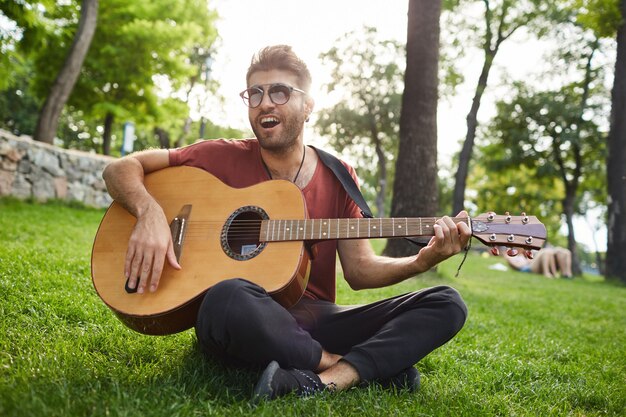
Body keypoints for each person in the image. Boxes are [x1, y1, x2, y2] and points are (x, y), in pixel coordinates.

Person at [101, 45, 472, 401]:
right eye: (255, 93)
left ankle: (322, 379)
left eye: (279, 91)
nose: (265, 102)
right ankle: (351, 367)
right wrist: (150, 213)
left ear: (308, 105)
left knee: (447, 302)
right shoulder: (219, 156)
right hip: (245, 318)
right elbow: (121, 168)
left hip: (316, 319)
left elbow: (360, 271)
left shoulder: (339, 175)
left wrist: (422, 261)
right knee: (226, 297)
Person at [504, 247, 572, 278]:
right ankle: (548, 273)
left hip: (532, 264)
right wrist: (527, 261)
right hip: (527, 269)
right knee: (546, 252)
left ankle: (566, 274)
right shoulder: (509, 256)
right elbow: (517, 267)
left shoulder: (523, 254)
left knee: (564, 252)